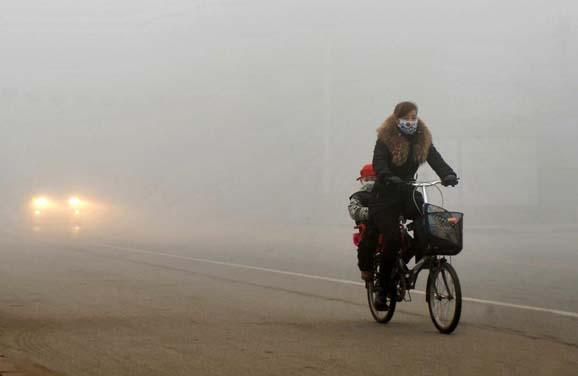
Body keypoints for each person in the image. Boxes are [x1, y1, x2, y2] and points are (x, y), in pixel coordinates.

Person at [370, 101, 458, 310]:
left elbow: (436, 159)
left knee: (428, 225)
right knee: (392, 239)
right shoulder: (385, 139)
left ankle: (414, 260)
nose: (410, 122)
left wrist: (447, 174)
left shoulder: (422, 139)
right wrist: (387, 176)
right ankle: (383, 290)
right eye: (406, 118)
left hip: (408, 192)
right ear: (396, 118)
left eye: (413, 117)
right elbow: (378, 162)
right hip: (385, 197)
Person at [348, 164, 379, 282]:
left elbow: (354, 212)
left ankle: (366, 271)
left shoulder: (358, 196)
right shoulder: (387, 195)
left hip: (370, 232)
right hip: (388, 229)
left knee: (365, 247)